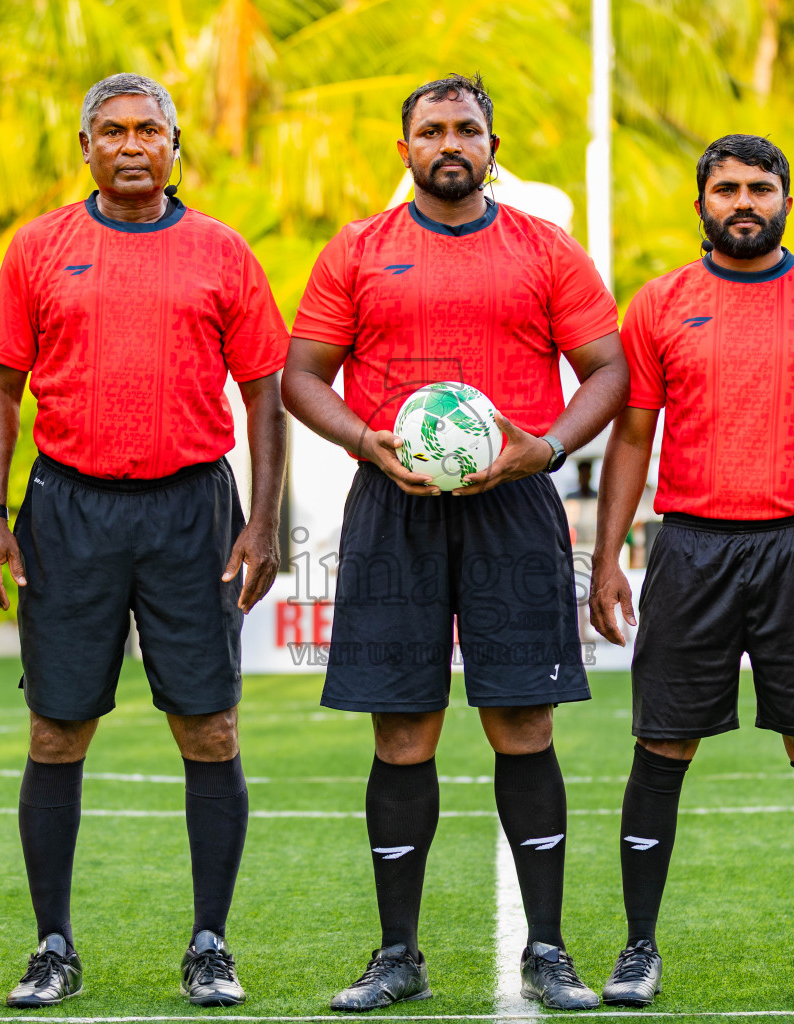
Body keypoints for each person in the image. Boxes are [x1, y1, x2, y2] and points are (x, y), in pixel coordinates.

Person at [282, 73, 628, 1012]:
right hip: (392, 505)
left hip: (514, 505)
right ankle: (397, 954)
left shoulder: (545, 249)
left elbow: (607, 369)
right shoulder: (358, 249)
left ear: (491, 147)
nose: (449, 142)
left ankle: (547, 950)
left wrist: (544, 448)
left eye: (466, 128)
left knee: (524, 724)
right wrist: (366, 439)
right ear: (405, 150)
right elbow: (301, 376)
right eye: (431, 129)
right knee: (403, 731)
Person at [0, 73, 288, 1008]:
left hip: (193, 510)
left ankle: (209, 944)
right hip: (68, 509)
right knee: (56, 728)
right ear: (86, 148)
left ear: (175, 145)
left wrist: (264, 521)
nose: (131, 145)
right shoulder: (39, 247)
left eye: (149, 129)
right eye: (111, 131)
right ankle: (52, 947)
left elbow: (265, 393)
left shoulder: (223, 252)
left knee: (210, 726)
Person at [590, 134, 794, 1009]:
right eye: (726, 189)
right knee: (662, 744)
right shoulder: (659, 303)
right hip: (689, 547)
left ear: (787, 201)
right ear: (702, 206)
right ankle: (638, 948)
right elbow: (632, 438)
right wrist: (607, 557)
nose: (744, 202)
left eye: (761, 187)